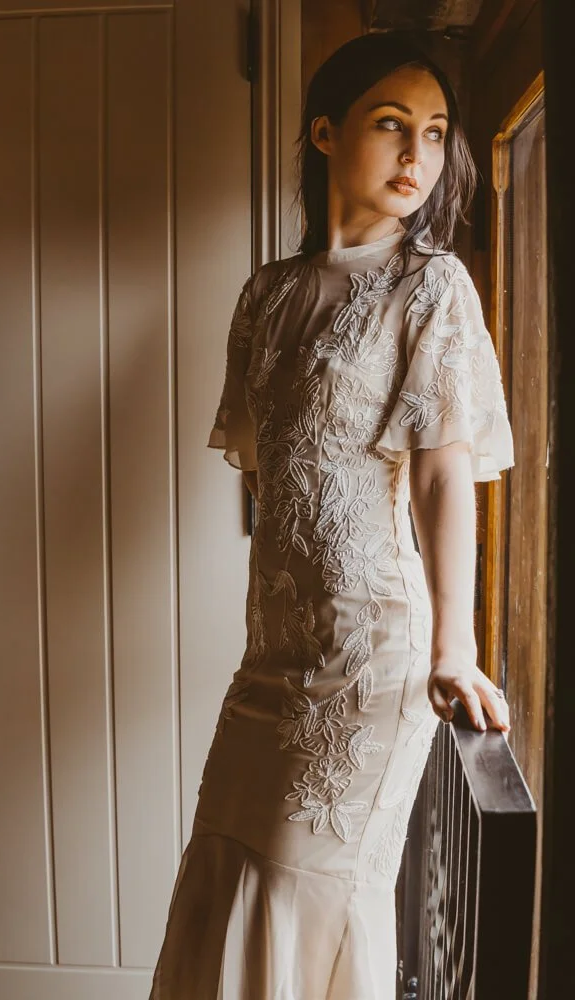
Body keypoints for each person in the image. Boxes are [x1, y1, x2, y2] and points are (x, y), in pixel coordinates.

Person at [149, 31, 513, 1000]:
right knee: (226, 864)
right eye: (391, 125)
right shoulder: (267, 293)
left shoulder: (429, 285)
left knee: (308, 886)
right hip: (270, 655)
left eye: (435, 134)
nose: (417, 157)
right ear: (323, 132)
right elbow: (270, 472)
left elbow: (444, 474)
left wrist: (455, 645)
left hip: (370, 653)